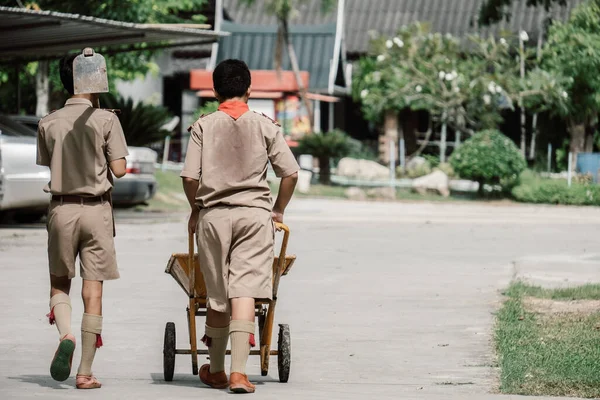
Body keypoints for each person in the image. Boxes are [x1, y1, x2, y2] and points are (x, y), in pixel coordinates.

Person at [181, 59, 299, 394]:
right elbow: (289, 174)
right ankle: (238, 373)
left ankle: (215, 370)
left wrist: (197, 207)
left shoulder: (204, 127)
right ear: (249, 90)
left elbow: (190, 178)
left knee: (217, 294)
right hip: (254, 217)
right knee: (244, 290)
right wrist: (277, 209)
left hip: (214, 217)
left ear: (215, 90)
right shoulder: (265, 126)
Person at [36, 50, 128, 389]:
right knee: (94, 291)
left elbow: (50, 163)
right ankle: (85, 372)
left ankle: (65, 335)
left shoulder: (48, 121)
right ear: (96, 78)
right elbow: (118, 168)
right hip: (96, 210)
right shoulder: (107, 120)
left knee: (60, 282)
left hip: (61, 208)